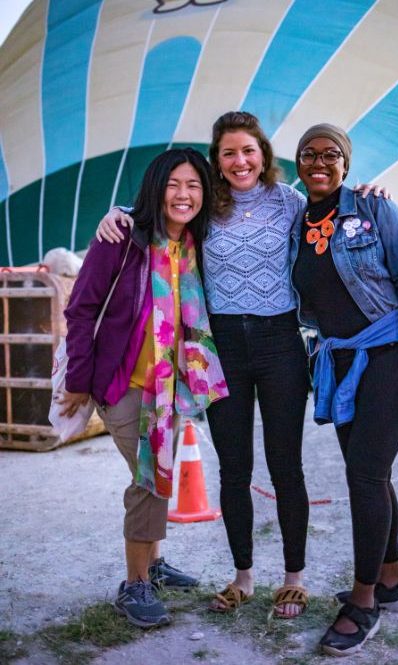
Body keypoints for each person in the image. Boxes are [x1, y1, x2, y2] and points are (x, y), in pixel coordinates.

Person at [96, 112, 387, 619]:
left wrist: (369, 194)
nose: (240, 161)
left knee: (285, 466)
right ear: (218, 160)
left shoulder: (290, 202)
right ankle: (243, 576)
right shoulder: (209, 205)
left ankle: (293, 577)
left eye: (248, 151)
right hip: (222, 347)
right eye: (228, 153)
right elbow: (163, 208)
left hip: (280, 344)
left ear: (264, 155)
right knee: (234, 469)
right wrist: (115, 212)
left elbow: (336, 209)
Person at [290, 123, 398, 656]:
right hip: (341, 363)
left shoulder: (375, 209)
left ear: (347, 162)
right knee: (370, 475)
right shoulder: (297, 221)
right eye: (308, 154)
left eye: (331, 154)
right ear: (297, 163)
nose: (319, 162)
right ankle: (390, 581)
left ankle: (363, 602)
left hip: (389, 356)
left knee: (365, 476)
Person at [59, 148, 228, 628]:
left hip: (171, 387)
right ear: (156, 188)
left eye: (194, 185)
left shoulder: (194, 241)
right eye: (174, 184)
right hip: (127, 385)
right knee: (151, 480)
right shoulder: (121, 240)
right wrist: (78, 381)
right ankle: (134, 585)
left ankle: (152, 566)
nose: (184, 194)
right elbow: (81, 310)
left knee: (160, 475)